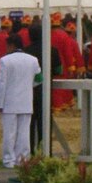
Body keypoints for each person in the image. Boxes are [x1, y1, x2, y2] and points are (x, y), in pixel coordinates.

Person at [0, 34, 42, 168]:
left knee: (9, 133)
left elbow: (2, 83)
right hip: (26, 100)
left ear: (11, 45)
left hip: (9, 101)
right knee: (24, 132)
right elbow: (39, 78)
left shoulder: (5, 60)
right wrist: (28, 85)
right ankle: (22, 159)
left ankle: (8, 159)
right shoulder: (33, 60)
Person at [24, 23, 62, 152]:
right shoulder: (52, 50)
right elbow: (59, 70)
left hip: (29, 92)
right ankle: (46, 151)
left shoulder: (26, 51)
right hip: (45, 91)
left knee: (29, 123)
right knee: (44, 123)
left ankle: (30, 151)